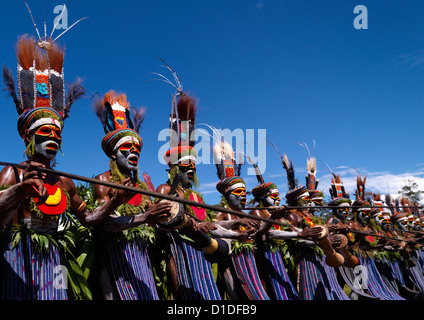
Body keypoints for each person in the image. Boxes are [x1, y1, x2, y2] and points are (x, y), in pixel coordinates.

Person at [0, 35, 135, 300]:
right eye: (46, 132)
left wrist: (114, 203)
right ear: (28, 137)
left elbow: (88, 219)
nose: (53, 138)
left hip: (53, 257)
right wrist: (19, 192)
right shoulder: (12, 173)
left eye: (57, 134)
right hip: (17, 256)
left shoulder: (64, 181)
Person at [92, 90, 172, 300]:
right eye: (127, 147)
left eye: (137, 149)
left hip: (142, 258)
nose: (134, 152)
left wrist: (163, 216)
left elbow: (151, 224)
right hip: (113, 258)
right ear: (113, 153)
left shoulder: (143, 188)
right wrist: (145, 216)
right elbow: (103, 223)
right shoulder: (104, 181)